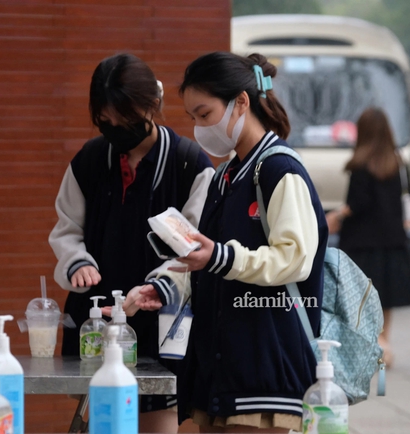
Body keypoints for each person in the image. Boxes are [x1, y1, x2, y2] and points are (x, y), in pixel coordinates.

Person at [137, 51, 329, 433]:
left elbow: (295, 258)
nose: (199, 127)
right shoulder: (225, 176)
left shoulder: (280, 170)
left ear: (241, 102)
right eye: (192, 118)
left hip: (266, 368)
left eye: (205, 114)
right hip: (219, 370)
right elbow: (204, 258)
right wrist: (164, 286)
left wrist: (222, 257)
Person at [48, 53, 214, 432]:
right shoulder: (89, 160)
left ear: (151, 106)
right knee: (104, 419)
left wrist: (156, 287)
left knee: (157, 418)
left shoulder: (190, 164)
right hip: (97, 317)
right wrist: (77, 261)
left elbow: (193, 248)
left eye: (126, 120)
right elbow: (66, 228)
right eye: (106, 122)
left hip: (161, 320)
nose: (116, 130)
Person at [326, 107, 410, 368]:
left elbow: (358, 202)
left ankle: (367, 349)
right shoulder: (397, 162)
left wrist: (337, 216)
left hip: (361, 245)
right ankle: (384, 344)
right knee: (385, 299)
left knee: (361, 299)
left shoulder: (360, 165)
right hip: (392, 242)